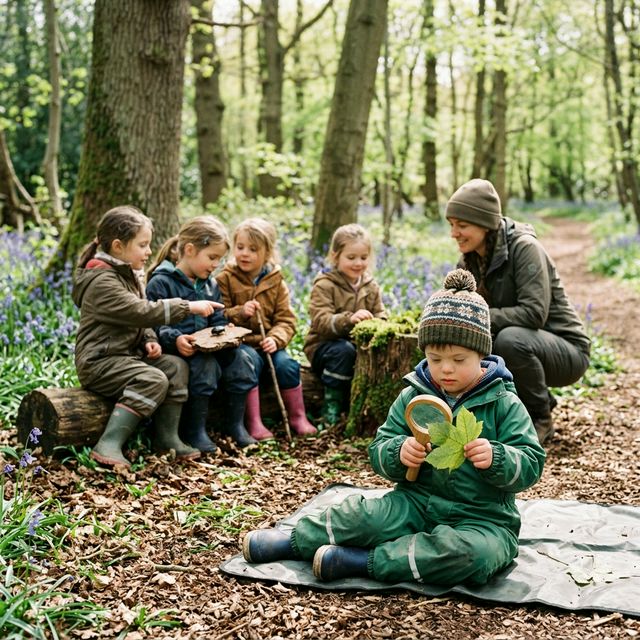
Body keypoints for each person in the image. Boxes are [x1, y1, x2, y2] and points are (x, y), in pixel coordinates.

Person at [241, 269, 546, 586]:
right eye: (435, 357)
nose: (445, 368)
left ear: (481, 354)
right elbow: (379, 448)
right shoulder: (414, 396)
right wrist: (398, 453)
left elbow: (531, 462)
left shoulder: (503, 402)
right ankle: (295, 541)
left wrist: (497, 457)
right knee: (362, 516)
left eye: (459, 359)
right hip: (415, 503)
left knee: (471, 555)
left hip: (483, 519)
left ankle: (366, 562)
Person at [445, 179, 591, 444]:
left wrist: (481, 316)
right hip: (528, 347)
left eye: (462, 225)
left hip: (567, 350)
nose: (454, 233)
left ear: (485, 224)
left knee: (509, 340)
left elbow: (534, 314)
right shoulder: (469, 258)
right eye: (451, 225)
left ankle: (541, 418)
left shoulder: (524, 248)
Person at [72, 205, 219, 468]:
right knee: (153, 378)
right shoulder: (102, 281)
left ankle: (167, 437)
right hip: (99, 362)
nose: (149, 251)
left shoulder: (126, 274)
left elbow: (139, 319)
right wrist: (186, 307)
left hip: (126, 356)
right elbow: (139, 310)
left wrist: (149, 338)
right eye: (143, 245)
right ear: (118, 246)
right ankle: (109, 443)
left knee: (175, 367)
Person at [146, 216, 259, 450]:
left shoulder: (210, 285)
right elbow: (155, 323)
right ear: (189, 250)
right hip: (181, 349)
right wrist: (175, 339)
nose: (215, 264)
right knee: (205, 367)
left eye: (219, 259)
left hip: (211, 346)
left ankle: (235, 425)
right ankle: (194, 430)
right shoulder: (162, 282)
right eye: (212, 257)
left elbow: (217, 316)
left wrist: (226, 332)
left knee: (242, 361)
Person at [215, 217, 316, 440]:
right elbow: (219, 314)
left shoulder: (276, 282)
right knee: (249, 364)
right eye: (240, 247)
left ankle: (297, 417)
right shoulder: (225, 279)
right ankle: (254, 421)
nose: (244, 254)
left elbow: (286, 320)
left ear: (267, 252)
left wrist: (275, 338)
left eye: (253, 249)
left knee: (287, 365)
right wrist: (240, 312)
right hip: (241, 345)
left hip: (268, 343)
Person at [303, 223, 388, 425]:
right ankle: (331, 406)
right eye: (351, 258)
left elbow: (380, 313)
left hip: (355, 346)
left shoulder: (370, 285)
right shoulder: (325, 284)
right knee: (343, 351)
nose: (358, 263)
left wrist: (379, 323)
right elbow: (320, 320)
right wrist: (348, 319)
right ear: (335, 256)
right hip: (323, 347)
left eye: (363, 258)